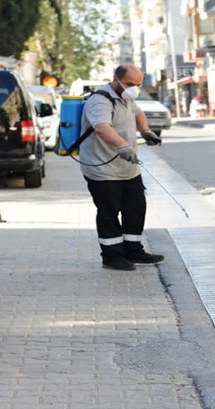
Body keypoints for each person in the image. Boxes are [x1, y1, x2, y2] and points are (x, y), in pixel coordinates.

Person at [79, 64, 165, 271]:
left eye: (138, 85)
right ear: (115, 79)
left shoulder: (126, 97)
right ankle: (112, 257)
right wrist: (123, 146)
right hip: (102, 169)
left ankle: (133, 250)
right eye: (129, 84)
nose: (133, 88)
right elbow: (101, 128)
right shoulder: (100, 100)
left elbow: (138, 112)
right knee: (109, 213)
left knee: (136, 209)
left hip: (128, 168)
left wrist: (145, 131)